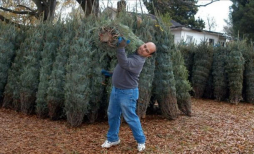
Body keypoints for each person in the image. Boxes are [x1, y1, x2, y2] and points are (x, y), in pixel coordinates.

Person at [101, 37, 156, 152]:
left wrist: (121, 47)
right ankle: (113, 138)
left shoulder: (138, 61)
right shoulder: (133, 52)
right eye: (144, 46)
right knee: (113, 114)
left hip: (128, 93)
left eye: (147, 50)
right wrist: (112, 74)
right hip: (116, 90)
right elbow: (123, 69)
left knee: (130, 117)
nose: (143, 49)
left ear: (148, 55)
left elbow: (125, 63)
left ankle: (141, 141)